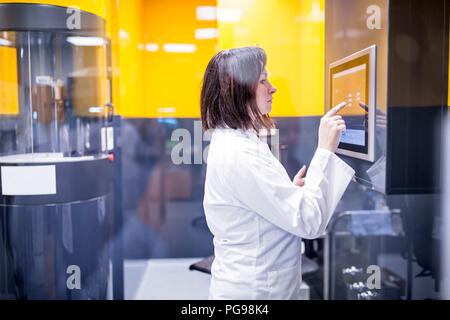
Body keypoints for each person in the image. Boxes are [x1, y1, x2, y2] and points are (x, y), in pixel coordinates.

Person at [201, 47, 355, 299]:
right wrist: (325, 149)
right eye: (263, 81)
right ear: (238, 90)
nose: (272, 88)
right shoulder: (240, 154)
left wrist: (288, 194)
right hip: (255, 291)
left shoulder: (239, 141)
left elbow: (257, 205)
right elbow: (309, 221)